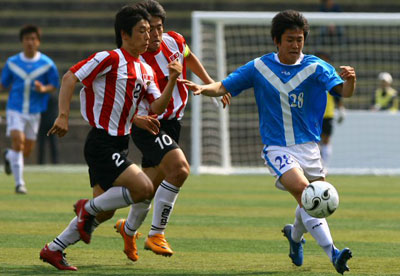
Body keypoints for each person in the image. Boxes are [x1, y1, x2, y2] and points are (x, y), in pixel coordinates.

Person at [182, 10, 356, 275]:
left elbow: (343, 92)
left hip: (309, 147)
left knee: (306, 200)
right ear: (277, 40)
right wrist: (204, 89)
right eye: (289, 39)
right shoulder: (259, 67)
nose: (295, 45)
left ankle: (295, 237)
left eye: (299, 39)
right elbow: (224, 86)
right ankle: (333, 254)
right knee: (306, 193)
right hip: (277, 147)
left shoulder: (316, 66)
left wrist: (350, 82)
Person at [39, 4, 182, 271]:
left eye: (150, 31)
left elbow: (156, 108)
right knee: (143, 189)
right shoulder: (109, 58)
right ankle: (86, 208)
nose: (148, 36)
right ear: (124, 34)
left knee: (105, 212)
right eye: (142, 30)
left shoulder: (145, 69)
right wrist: (63, 116)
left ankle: (54, 249)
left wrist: (172, 79)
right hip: (101, 143)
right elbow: (70, 77)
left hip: (120, 143)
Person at [113, 0, 230, 261]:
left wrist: (211, 84)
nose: (154, 35)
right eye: (148, 29)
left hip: (173, 122)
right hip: (149, 124)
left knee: (148, 188)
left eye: (158, 28)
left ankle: (128, 229)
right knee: (180, 170)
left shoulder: (175, 41)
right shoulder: (136, 57)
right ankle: (156, 234)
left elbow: (190, 56)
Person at [0, 24, 59, 194]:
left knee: (26, 150)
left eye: (33, 39)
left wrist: (44, 89)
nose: (30, 42)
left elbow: (53, 85)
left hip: (35, 111)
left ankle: (9, 156)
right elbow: (3, 84)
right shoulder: (12, 63)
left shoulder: (47, 64)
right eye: (27, 39)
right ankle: (20, 184)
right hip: (15, 108)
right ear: (22, 41)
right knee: (18, 142)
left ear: (38, 42)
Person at [316, 52, 345, 168]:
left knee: (326, 140)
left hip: (328, 113)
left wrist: (341, 108)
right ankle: (316, 165)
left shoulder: (332, 75)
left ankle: (325, 166)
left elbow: (338, 94)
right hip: (313, 113)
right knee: (314, 141)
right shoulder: (310, 74)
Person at [37, 91, 59, 164]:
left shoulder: (43, 98)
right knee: (50, 144)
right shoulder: (53, 97)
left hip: (46, 123)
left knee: (45, 144)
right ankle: (53, 161)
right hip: (49, 123)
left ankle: (42, 161)